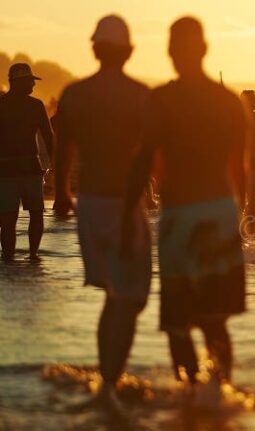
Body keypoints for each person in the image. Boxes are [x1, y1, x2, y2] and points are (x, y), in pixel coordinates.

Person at [121, 16, 248, 395]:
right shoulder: (228, 101)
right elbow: (239, 168)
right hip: (219, 213)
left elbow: (144, 158)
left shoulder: (162, 99)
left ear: (170, 52)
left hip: (180, 215)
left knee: (178, 320)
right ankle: (221, 394)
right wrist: (243, 213)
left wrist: (129, 210)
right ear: (205, 50)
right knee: (215, 317)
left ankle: (191, 395)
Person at [51, 15, 152, 409]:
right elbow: (145, 158)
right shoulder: (139, 95)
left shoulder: (75, 93)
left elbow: (64, 150)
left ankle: (106, 377)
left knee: (115, 293)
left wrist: (62, 192)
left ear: (95, 49)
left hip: (89, 202)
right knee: (132, 294)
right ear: (128, 51)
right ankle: (109, 382)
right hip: (123, 201)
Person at [0, 63, 53, 262]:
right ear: (20, 82)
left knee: (7, 219)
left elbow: (49, 136)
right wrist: (56, 165)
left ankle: (7, 259)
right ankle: (33, 256)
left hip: (5, 171)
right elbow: (49, 136)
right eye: (30, 80)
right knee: (36, 213)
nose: (33, 84)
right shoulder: (35, 106)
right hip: (29, 169)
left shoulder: (2, 105)